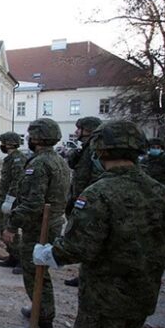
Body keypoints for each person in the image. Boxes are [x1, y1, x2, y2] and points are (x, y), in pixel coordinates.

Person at [33, 120, 165, 328]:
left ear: (99, 151)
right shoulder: (163, 194)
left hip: (105, 298)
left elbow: (79, 246)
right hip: (144, 293)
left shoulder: (99, 193)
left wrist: (50, 253)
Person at [2, 118, 69, 328]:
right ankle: (39, 310)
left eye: (31, 136)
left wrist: (12, 225)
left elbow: (33, 202)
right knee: (40, 271)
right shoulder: (59, 161)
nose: (28, 140)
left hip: (38, 226)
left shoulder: (39, 164)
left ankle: (44, 324)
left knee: (36, 274)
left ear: (38, 138)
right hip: (52, 222)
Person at [63, 116, 103, 288]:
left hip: (88, 201)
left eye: (79, 128)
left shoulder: (95, 150)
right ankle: (85, 275)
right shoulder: (85, 149)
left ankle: (88, 276)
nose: (76, 132)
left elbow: (95, 178)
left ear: (88, 130)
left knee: (90, 239)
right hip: (79, 198)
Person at [0, 131, 26, 274]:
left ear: (8, 143)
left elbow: (17, 181)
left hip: (12, 200)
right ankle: (13, 257)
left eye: (2, 143)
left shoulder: (17, 159)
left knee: (10, 229)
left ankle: (21, 259)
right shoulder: (10, 158)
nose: (1, 145)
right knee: (3, 229)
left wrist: (10, 199)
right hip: (5, 197)